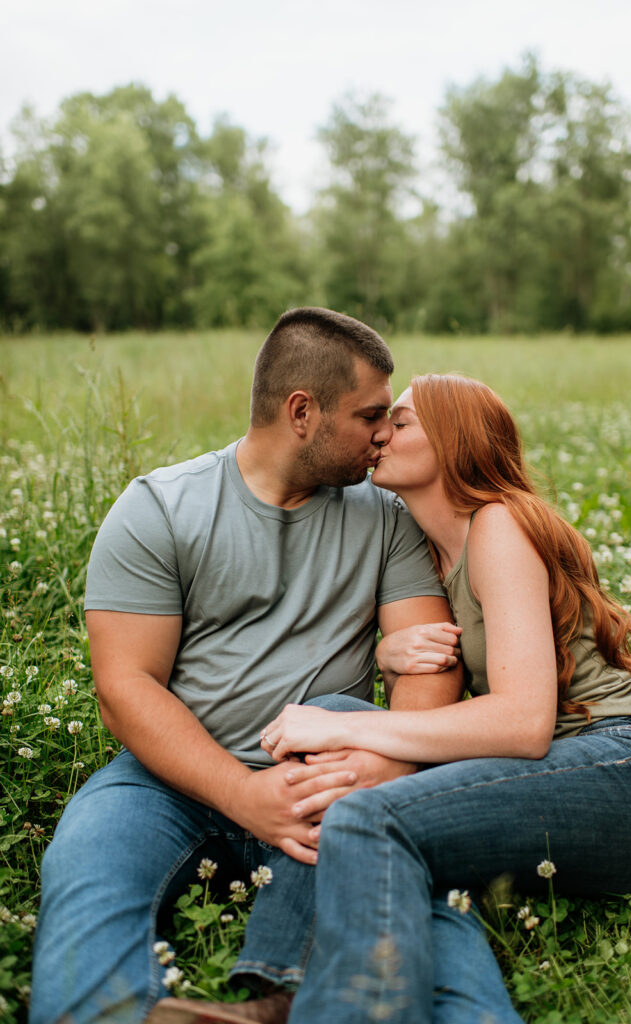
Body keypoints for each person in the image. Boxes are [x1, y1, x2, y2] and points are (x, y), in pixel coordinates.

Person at [29, 312, 464, 1024]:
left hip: (327, 772)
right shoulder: (160, 509)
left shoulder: (386, 513)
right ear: (302, 412)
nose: (384, 434)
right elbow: (124, 687)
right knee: (86, 873)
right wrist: (238, 790)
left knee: (424, 905)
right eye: (369, 416)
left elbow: (428, 659)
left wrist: (387, 770)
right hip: (168, 779)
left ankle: (287, 1004)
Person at [252, 372, 631, 1024]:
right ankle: (291, 993)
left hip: (627, 770)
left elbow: (524, 721)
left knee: (369, 813)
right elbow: (448, 706)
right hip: (551, 777)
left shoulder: (499, 527)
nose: (379, 433)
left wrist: (355, 738)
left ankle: (324, 1006)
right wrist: (386, 656)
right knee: (392, 831)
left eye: (400, 422)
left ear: (454, 442)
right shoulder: (434, 551)